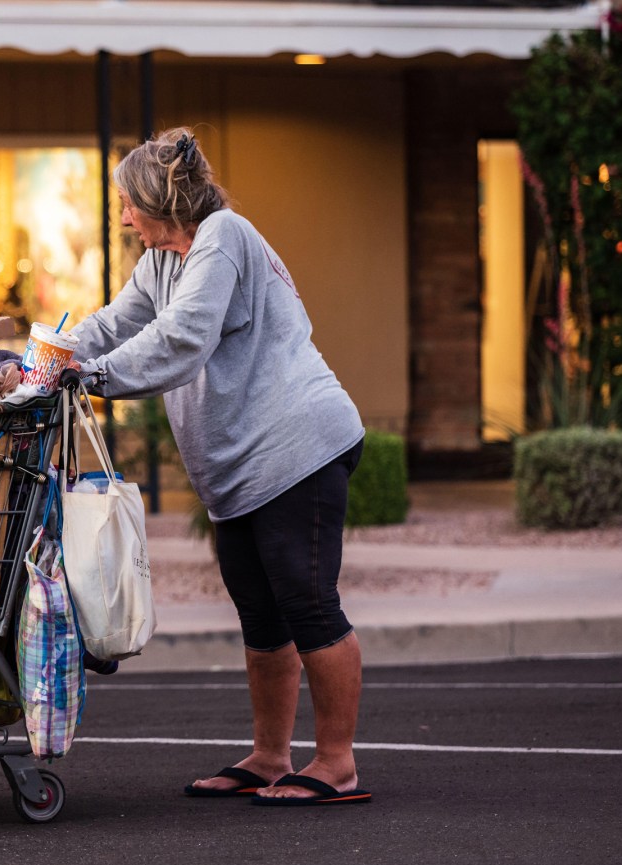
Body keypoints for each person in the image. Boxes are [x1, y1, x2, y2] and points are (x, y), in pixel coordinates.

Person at [64, 127, 371, 806]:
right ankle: (269, 758)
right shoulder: (162, 261)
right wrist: (56, 354)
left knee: (308, 604)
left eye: (126, 204)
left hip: (298, 448)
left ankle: (337, 764)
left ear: (156, 200)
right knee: (260, 615)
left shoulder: (223, 235)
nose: (122, 218)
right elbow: (116, 323)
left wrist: (90, 377)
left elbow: (182, 339)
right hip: (242, 468)